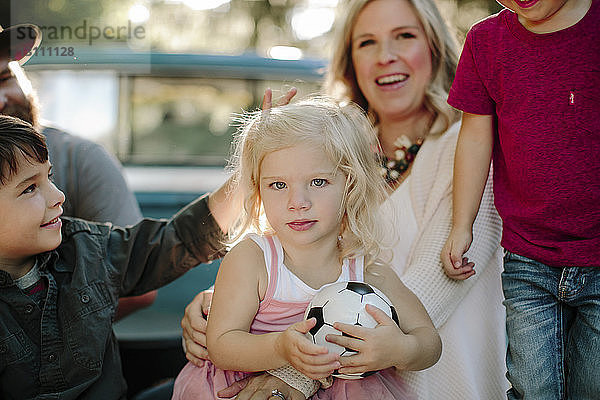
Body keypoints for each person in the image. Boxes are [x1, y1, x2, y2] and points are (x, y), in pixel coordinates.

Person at [182, 0, 509, 399]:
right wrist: (223, 307)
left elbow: (434, 283)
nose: (386, 56)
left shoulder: (471, 143)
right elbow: (288, 255)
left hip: (430, 383)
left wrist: (298, 370)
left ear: (435, 47)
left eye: (404, 36)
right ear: (350, 60)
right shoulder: (331, 146)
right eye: (367, 42)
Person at [172, 96, 441, 400]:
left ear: (349, 186)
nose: (297, 202)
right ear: (258, 189)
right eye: (278, 185)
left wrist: (399, 349)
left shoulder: (367, 271)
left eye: (317, 181)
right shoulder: (252, 259)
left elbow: (429, 340)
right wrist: (280, 348)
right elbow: (222, 345)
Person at [0, 114, 229, 399]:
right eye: (30, 188)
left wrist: (249, 173)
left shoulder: (86, 249)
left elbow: (177, 239)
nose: (58, 196)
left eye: (49, 177)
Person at [442, 0, 600, 398]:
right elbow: (476, 138)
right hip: (528, 258)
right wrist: (462, 224)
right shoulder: (486, 41)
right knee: (533, 387)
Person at [0, 23, 156, 319]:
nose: (1, 100)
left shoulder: (82, 159)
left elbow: (138, 282)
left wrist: (44, 333)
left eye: (5, 78)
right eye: (28, 187)